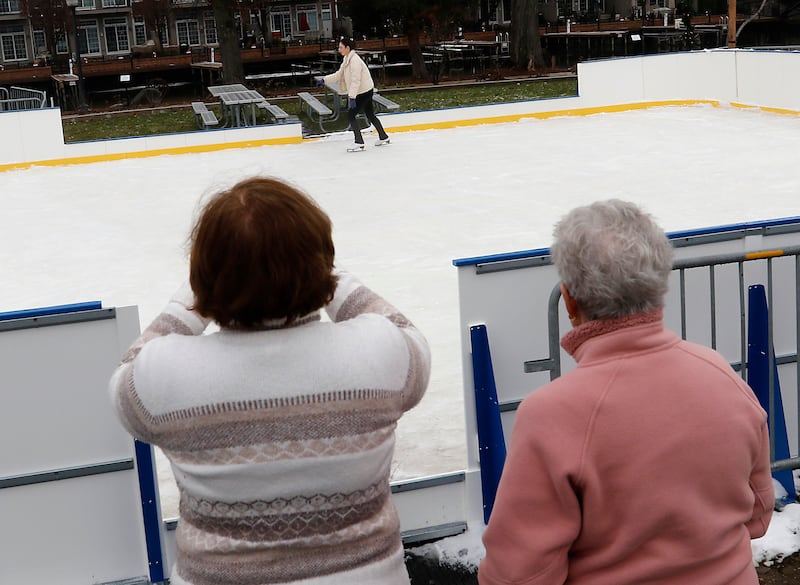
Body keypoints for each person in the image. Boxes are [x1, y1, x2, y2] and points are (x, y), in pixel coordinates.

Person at [109, 176, 431, 585]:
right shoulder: (381, 352)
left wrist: (195, 297)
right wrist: (325, 275)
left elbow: (126, 374)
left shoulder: (163, 376)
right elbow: (410, 336)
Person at [479, 199, 774, 585]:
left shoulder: (551, 414)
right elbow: (759, 513)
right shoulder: (719, 372)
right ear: (660, 286)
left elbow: (517, 575)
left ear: (569, 300)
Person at [318, 37, 390, 152]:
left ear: (347, 48)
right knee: (370, 114)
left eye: (341, 47)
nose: (339, 49)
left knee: (351, 115)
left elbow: (355, 81)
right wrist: (324, 80)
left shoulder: (355, 61)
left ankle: (359, 142)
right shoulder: (347, 59)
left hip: (364, 92)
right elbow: (338, 75)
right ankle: (383, 136)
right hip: (364, 90)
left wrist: (352, 98)